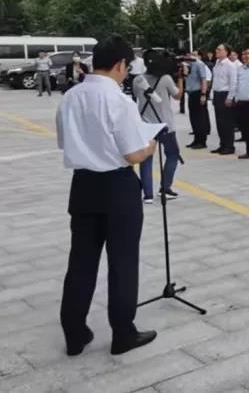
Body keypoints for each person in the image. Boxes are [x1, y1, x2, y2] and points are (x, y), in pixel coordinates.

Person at [56, 35, 158, 357]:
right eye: (126, 68)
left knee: (81, 263)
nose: (126, 74)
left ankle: (75, 333)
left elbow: (64, 143)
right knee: (123, 262)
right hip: (117, 188)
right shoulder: (118, 100)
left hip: (83, 187)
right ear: (119, 65)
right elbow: (133, 155)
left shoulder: (70, 97)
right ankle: (122, 334)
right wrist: (151, 145)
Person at [134, 53, 184, 202]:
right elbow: (177, 96)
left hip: (145, 124)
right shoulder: (166, 78)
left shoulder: (138, 79)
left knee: (146, 159)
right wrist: (181, 79)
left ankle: (147, 195)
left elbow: (136, 97)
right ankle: (165, 188)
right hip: (165, 124)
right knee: (172, 154)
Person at [210, 44, 238, 155]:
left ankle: (229, 146)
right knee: (219, 122)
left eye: (219, 49)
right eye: (216, 49)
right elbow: (215, 81)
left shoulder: (230, 65)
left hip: (225, 94)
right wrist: (212, 95)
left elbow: (233, 83)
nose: (217, 51)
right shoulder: (216, 64)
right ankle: (222, 144)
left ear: (226, 52)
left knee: (227, 122)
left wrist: (230, 97)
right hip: (217, 94)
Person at [184, 51, 210, 149]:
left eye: (192, 55)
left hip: (198, 92)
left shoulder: (199, 65)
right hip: (191, 93)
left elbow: (203, 79)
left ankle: (202, 141)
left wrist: (203, 94)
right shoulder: (187, 65)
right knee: (193, 118)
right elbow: (186, 77)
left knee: (200, 118)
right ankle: (196, 139)